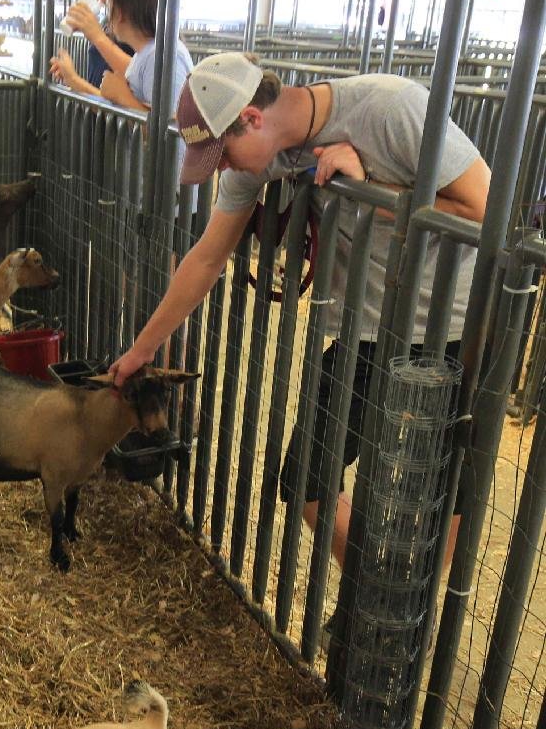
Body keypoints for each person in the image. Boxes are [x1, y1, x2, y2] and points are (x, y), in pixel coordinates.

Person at [110, 52, 491, 575]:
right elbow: (206, 257)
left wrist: (375, 191)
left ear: (251, 117)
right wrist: (142, 350)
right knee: (306, 480)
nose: (222, 167)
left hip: (452, 326)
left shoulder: (392, 108)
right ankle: (376, 587)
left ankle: (415, 607)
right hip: (368, 329)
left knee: (440, 483)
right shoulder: (262, 157)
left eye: (222, 153)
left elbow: (485, 211)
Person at [50, 0, 191, 113]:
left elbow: (172, 133)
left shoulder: (163, 55)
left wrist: (123, 98)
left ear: (120, 13)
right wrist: (73, 80)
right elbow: (116, 107)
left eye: (110, 4)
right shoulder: (144, 55)